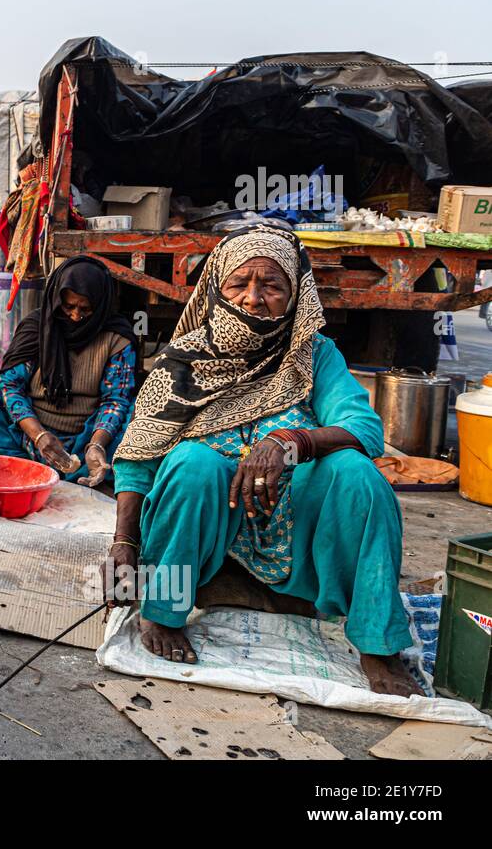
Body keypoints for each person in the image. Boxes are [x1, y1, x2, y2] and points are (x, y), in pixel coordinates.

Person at [107, 225, 419, 697]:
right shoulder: (185, 359)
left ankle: (378, 644)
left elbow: (365, 430)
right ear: (216, 287)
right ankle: (164, 610)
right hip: (211, 539)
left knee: (356, 473)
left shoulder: (314, 355)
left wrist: (290, 441)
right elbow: (138, 459)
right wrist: (124, 542)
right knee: (193, 461)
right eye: (240, 283)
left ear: (295, 295)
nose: (254, 298)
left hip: (297, 534)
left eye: (272, 285)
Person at [0, 255, 136, 487]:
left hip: (86, 439)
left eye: (85, 309)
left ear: (100, 307)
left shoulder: (117, 338)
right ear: (57, 299)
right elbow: (11, 387)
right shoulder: (36, 329)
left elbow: (115, 400)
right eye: (69, 306)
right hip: (28, 435)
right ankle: (14, 458)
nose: (76, 316)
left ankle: (92, 466)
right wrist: (38, 436)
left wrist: (96, 444)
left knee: (141, 409)